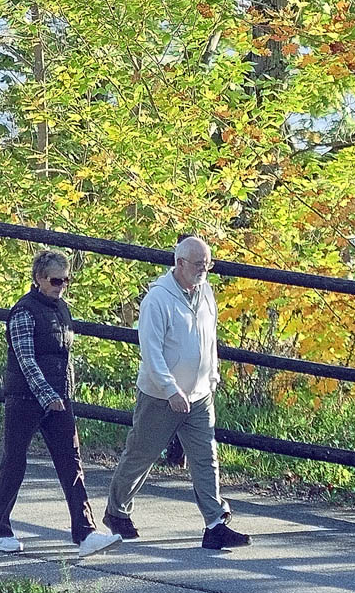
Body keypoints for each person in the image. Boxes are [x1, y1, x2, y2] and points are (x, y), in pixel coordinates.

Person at [103, 235, 250, 550]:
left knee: (205, 457)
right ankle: (117, 512)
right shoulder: (157, 300)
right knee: (141, 455)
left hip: (199, 395)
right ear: (179, 263)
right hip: (160, 397)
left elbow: (209, 337)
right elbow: (152, 352)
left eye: (207, 264)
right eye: (199, 264)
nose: (204, 270)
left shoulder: (206, 291)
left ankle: (215, 524)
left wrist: (212, 376)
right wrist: (170, 390)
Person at [0, 250, 122, 559]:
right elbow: (26, 361)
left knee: (71, 463)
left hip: (59, 399)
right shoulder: (23, 312)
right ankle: (0, 528)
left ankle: (85, 532)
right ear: (38, 279)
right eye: (55, 280)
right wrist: (47, 395)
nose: (61, 285)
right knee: (15, 462)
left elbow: (63, 357)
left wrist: (64, 393)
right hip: (25, 398)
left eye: (66, 279)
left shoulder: (62, 309)